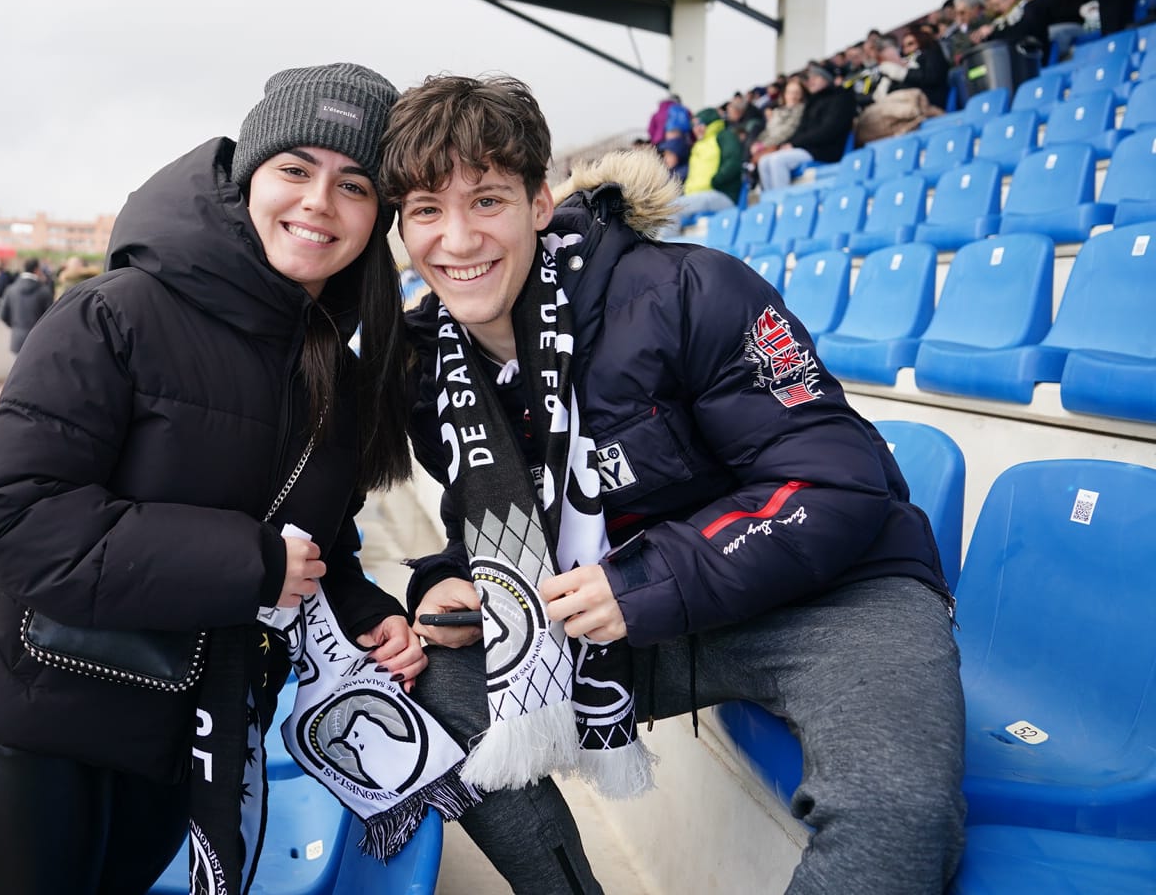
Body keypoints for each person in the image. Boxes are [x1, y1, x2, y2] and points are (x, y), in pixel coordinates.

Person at [380, 75, 965, 895]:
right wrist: (454, 579)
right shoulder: (429, 364)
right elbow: (486, 520)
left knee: (898, 808)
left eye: (486, 201)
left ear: (540, 203)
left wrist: (641, 581)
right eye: (427, 213)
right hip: (643, 612)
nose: (458, 238)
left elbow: (841, 483)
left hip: (835, 594)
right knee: (432, 684)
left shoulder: (691, 287)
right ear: (403, 230)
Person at [0, 64, 426, 894]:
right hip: (39, 713)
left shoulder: (335, 371)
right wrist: (250, 564)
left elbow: (316, 543)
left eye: (354, 185)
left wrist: (370, 615)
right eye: (295, 171)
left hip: (187, 733)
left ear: (377, 220)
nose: (318, 203)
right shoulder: (116, 311)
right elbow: (7, 515)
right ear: (248, 178)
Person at [756, 64, 856, 192]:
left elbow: (827, 130)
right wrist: (788, 144)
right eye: (810, 78)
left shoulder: (840, 97)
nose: (811, 81)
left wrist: (795, 143)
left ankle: (781, 202)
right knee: (764, 161)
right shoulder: (813, 101)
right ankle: (770, 204)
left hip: (824, 150)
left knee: (777, 161)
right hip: (807, 148)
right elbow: (801, 129)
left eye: (816, 77)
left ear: (826, 79)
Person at [675, 106, 743, 219]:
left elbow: (733, 161)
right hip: (700, 195)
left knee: (672, 208)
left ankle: (666, 237)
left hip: (722, 194)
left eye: (700, 123)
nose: (696, 129)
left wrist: (715, 181)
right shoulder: (698, 145)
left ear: (710, 122)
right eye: (693, 125)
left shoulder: (724, 136)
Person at [0, 256, 55, 354]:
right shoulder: (44, 291)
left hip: (18, 339)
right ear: (36, 269)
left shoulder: (11, 289)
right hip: (38, 341)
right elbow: (51, 318)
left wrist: (17, 326)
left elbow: (3, 315)